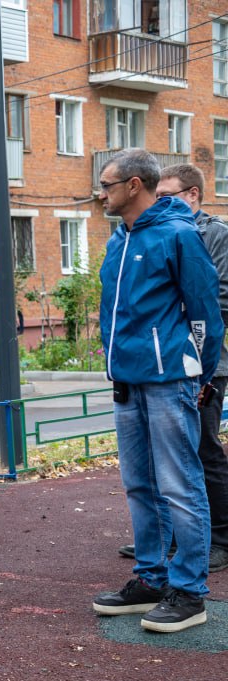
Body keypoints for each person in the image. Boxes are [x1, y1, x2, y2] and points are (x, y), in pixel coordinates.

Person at [91, 149, 222, 633]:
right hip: (127, 380)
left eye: (107, 185)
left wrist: (200, 375)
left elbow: (205, 312)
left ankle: (189, 592)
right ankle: (151, 578)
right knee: (140, 485)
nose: (100, 194)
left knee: (180, 485)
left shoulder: (178, 234)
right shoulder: (118, 240)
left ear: (134, 185)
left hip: (170, 380)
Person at [111, 163, 228, 573]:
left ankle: (215, 547)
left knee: (197, 458)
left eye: (166, 195)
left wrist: (196, 361)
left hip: (190, 366)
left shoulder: (203, 234)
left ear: (192, 194)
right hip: (145, 369)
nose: (158, 202)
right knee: (151, 472)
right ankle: (163, 550)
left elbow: (213, 304)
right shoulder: (130, 237)